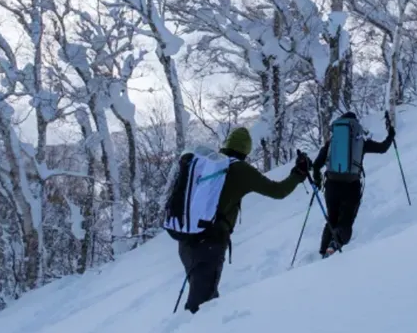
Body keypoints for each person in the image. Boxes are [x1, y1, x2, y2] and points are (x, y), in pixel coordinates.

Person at [163, 127, 309, 313]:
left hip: (186, 238)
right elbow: (278, 191)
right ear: (246, 150)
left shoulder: (209, 165)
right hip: (210, 242)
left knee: (203, 293)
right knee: (201, 306)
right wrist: (297, 174)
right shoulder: (240, 170)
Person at [311, 111, 395, 258]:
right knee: (346, 220)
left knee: (332, 218)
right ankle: (334, 246)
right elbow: (383, 148)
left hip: (331, 185)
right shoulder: (359, 141)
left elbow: (317, 164)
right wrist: (391, 135)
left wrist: (317, 181)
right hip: (351, 185)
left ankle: (323, 251)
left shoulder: (331, 143)